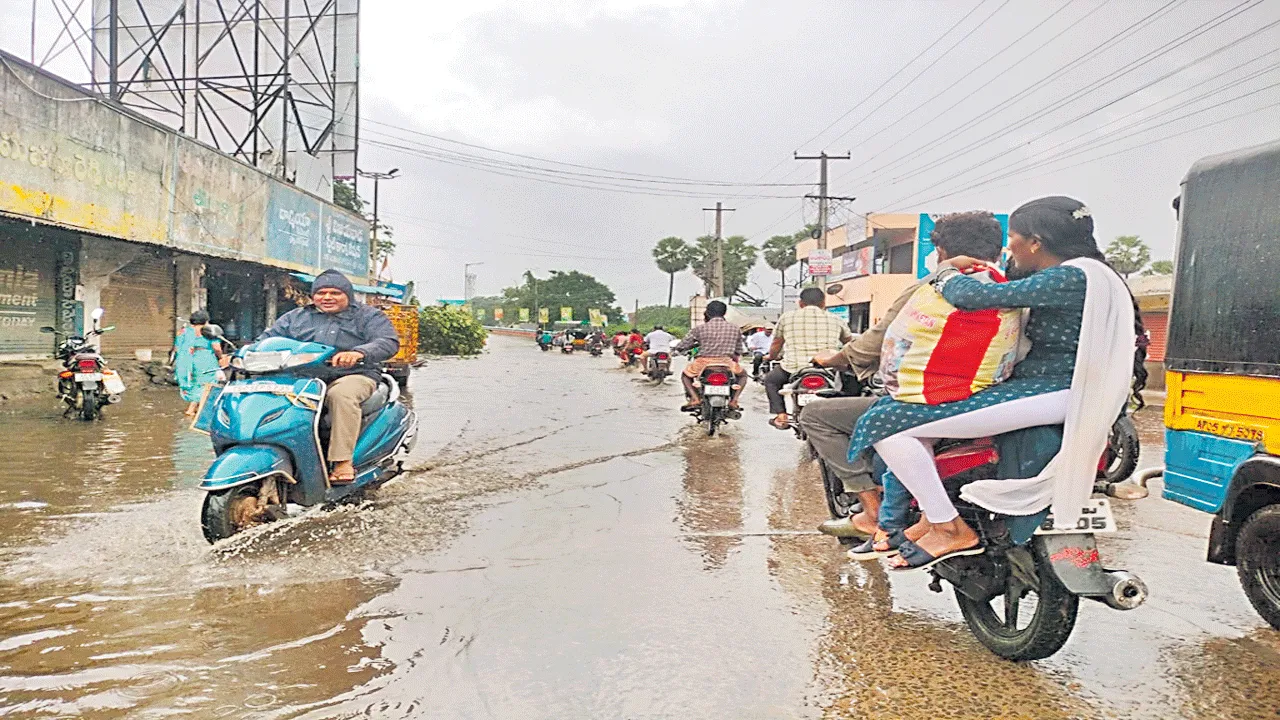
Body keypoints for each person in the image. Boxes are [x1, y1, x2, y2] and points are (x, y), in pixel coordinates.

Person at [848, 197, 1138, 570]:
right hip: (1051, 390)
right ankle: (924, 519)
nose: (1008, 247)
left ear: (1034, 241)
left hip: (1053, 392)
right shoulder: (1091, 275)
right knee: (899, 415)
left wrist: (947, 271)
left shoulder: (1071, 276)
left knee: (888, 428)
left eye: (1013, 237)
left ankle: (948, 527)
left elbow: (975, 298)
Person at [799, 211, 1006, 549]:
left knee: (815, 416)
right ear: (998, 250)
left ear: (939, 250)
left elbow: (874, 342)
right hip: (994, 399)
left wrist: (837, 359)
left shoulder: (932, 287)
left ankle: (873, 513)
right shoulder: (1009, 284)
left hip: (934, 397)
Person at [259, 269, 399, 485]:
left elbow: (388, 341)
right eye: (321, 293)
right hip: (303, 378)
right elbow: (267, 340)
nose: (327, 298)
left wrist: (359, 353)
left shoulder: (368, 316)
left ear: (348, 295)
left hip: (353, 375)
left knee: (340, 395)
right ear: (313, 295)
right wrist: (243, 354)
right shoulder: (295, 318)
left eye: (335, 293)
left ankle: (342, 461)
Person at [764, 287, 853, 429]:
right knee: (849, 386)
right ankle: (846, 419)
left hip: (793, 368)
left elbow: (776, 343)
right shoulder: (836, 319)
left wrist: (771, 357)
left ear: (800, 303)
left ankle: (781, 415)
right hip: (828, 367)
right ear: (823, 303)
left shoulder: (787, 317)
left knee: (770, 381)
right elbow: (849, 344)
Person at [673, 301, 748, 411]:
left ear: (707, 313)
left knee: (686, 376)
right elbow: (739, 350)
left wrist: (679, 349)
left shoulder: (699, 329)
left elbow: (683, 344)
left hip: (703, 363)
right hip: (726, 363)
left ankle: (695, 399)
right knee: (743, 376)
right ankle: (734, 400)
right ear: (724, 313)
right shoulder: (735, 328)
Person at [173, 309, 225, 417]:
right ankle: (201, 413)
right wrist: (220, 357)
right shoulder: (209, 331)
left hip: (188, 360)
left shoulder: (184, 331)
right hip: (205, 360)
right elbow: (217, 348)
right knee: (207, 386)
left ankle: (191, 410)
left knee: (196, 384)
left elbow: (177, 348)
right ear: (206, 321)